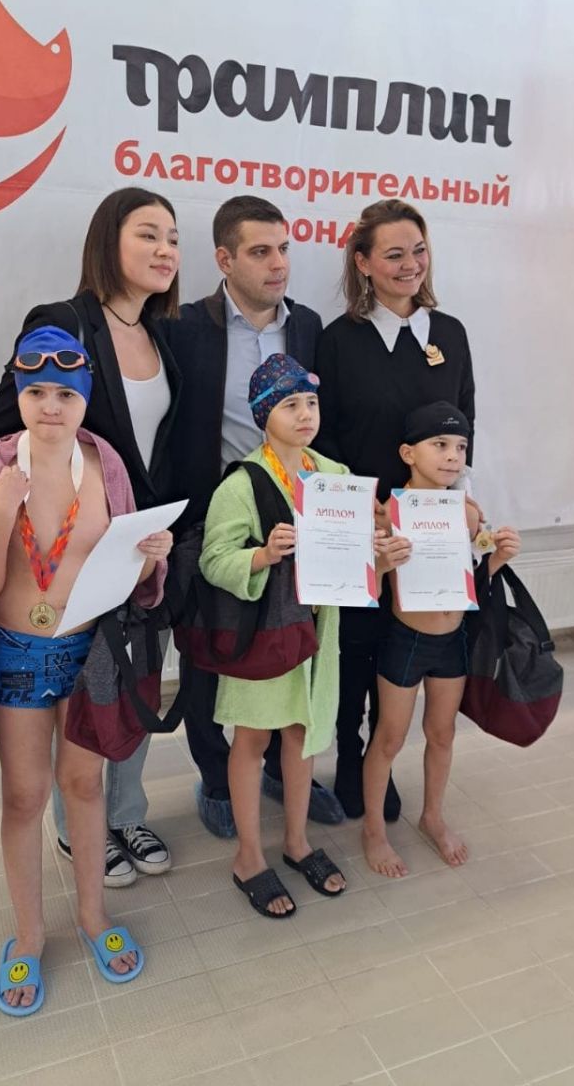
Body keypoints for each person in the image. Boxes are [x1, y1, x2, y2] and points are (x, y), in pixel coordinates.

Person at [0, 187, 182, 885]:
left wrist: (163, 539)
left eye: (172, 238)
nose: (165, 250)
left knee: (123, 694)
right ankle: (78, 832)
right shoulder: (64, 323)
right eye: (148, 234)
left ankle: (123, 814)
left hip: (133, 547)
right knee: (58, 758)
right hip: (57, 572)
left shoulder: (165, 334)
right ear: (107, 241)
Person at [0, 325, 172, 1012]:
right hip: (15, 653)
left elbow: (130, 583)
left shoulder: (106, 465)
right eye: (36, 391)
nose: (50, 405)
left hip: (87, 652)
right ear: (17, 394)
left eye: (65, 393)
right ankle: (29, 933)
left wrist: (151, 556)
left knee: (84, 785)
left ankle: (93, 916)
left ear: (85, 397)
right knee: (24, 795)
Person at [164, 194, 344, 837]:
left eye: (284, 249)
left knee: (293, 650)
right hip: (217, 515)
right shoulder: (184, 326)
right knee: (213, 655)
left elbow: (316, 420)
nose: (279, 264)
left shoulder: (309, 325)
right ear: (224, 259)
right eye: (261, 251)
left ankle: (280, 771)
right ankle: (217, 778)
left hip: (295, 514)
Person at [315, 198, 476, 823]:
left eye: (419, 250)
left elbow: (464, 422)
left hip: (431, 529)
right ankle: (352, 763)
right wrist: (367, 508)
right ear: (363, 263)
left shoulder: (450, 334)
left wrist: (456, 503)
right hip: (363, 526)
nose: (411, 264)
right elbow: (325, 437)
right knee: (357, 649)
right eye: (394, 254)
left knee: (408, 649)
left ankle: (382, 758)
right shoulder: (338, 341)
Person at [199, 355, 348, 916]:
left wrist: (380, 555)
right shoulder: (241, 483)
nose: (305, 414)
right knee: (252, 740)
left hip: (315, 631)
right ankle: (248, 856)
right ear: (263, 415)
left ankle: (297, 842)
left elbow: (351, 556)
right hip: (263, 634)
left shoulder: (332, 475)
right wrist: (261, 556)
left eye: (311, 402)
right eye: (290, 405)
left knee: (301, 734)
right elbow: (214, 559)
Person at [361, 401, 520, 878]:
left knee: (442, 733)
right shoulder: (387, 512)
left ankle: (433, 814)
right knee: (389, 738)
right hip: (406, 639)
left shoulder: (467, 514)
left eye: (461, 447)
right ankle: (373, 829)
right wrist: (383, 561)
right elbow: (367, 586)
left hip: (453, 639)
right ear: (409, 453)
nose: (453, 456)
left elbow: (474, 580)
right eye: (440, 444)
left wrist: (497, 559)